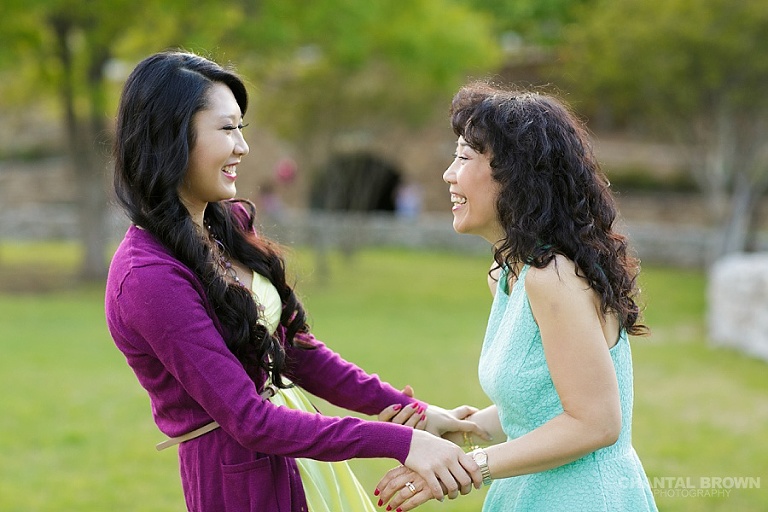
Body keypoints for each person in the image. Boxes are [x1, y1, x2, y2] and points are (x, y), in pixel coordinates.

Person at [104, 50, 485, 512]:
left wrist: (419, 417)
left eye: (241, 129)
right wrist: (401, 443)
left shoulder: (227, 225)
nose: (242, 147)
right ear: (169, 138)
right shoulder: (147, 278)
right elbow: (248, 420)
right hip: (240, 481)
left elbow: (297, 351)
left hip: (299, 446)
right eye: (226, 129)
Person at [375, 82, 658, 511]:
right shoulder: (508, 274)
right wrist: (460, 427)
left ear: (517, 176)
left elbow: (596, 423)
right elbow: (539, 409)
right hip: (531, 494)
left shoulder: (554, 276)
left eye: (464, 157)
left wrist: (470, 466)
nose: (449, 174)